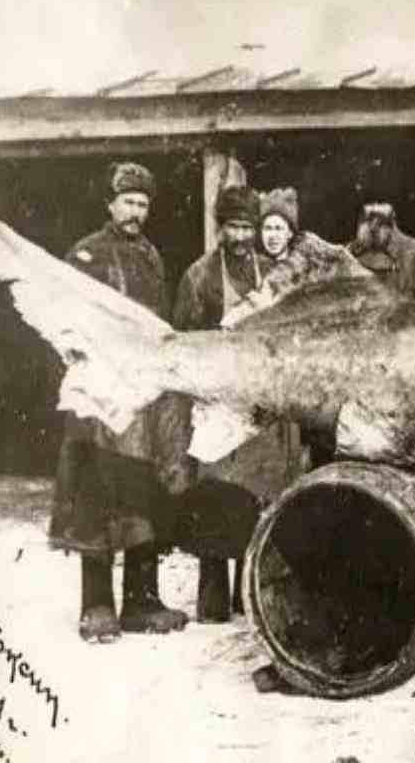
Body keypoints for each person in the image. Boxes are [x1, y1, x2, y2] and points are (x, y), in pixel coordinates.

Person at [50, 161, 189, 642]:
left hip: (142, 400)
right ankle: (97, 606)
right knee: (96, 495)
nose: (136, 211)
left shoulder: (152, 257)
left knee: (142, 493)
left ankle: (141, 602)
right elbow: (65, 323)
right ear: (110, 204)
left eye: (143, 203)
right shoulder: (86, 254)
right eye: (128, 201)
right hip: (100, 399)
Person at [172, 185, 270, 623]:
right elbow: (186, 337)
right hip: (216, 400)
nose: (242, 235)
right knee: (213, 495)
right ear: (221, 227)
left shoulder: (269, 271)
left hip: (258, 402)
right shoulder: (199, 275)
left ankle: (246, 597)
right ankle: (213, 600)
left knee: (256, 495)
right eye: (234, 226)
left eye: (248, 226)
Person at [349, 189, 415, 300]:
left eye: (380, 220)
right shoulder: (349, 253)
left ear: (392, 219)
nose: (373, 226)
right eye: (367, 218)